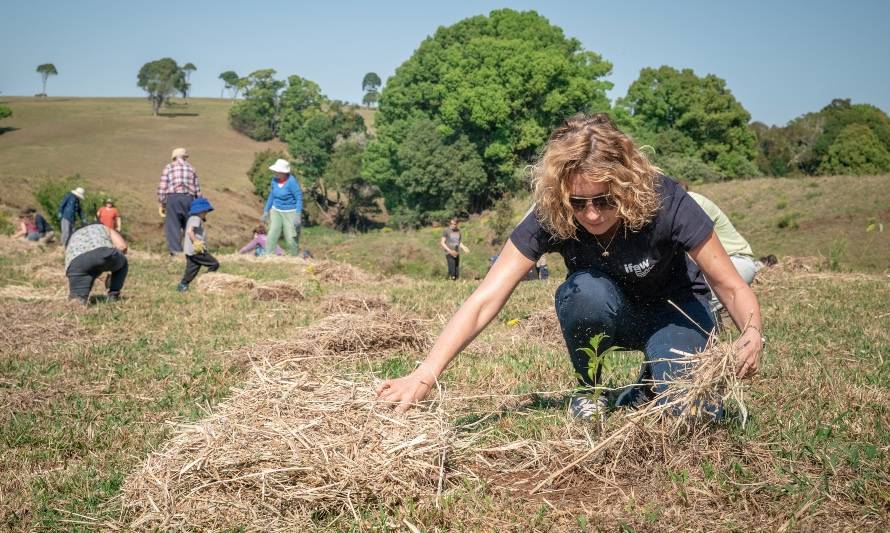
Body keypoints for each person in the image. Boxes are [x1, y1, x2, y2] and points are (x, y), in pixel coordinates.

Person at [377, 113, 764, 420]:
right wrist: (425, 374)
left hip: (677, 313)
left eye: (604, 199)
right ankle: (589, 390)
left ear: (626, 183)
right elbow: (485, 298)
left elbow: (730, 285)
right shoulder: (553, 211)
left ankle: (651, 383)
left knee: (690, 412)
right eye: (579, 203)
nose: (592, 214)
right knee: (582, 292)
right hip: (612, 311)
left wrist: (751, 331)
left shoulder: (667, 200)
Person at [64, 223, 128, 305]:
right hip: (102, 253)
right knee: (124, 262)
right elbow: (122, 247)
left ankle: (79, 301)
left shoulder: (73, 235)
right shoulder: (103, 227)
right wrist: (112, 272)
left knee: (77, 302)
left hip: (75, 264)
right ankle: (113, 295)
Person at [157, 147, 201, 255]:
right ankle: (190, 252)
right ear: (185, 157)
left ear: (174, 157)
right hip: (189, 199)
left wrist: (162, 203)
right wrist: (199, 205)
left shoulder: (168, 167)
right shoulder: (191, 168)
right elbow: (197, 189)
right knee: (189, 225)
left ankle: (176, 253)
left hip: (173, 198)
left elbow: (162, 187)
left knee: (173, 227)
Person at [177, 197, 219, 292]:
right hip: (196, 250)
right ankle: (206, 282)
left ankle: (182, 286)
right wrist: (196, 243)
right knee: (214, 264)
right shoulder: (196, 218)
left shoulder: (192, 218)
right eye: (206, 211)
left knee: (192, 270)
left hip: (189, 251)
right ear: (201, 211)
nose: (206, 213)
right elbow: (189, 231)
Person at [261, 159, 302, 256]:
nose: (274, 173)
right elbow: (272, 195)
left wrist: (298, 214)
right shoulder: (274, 181)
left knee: (291, 236)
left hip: (290, 212)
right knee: (272, 233)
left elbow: (299, 198)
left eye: (276, 171)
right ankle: (268, 255)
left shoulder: (292, 182)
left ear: (283, 172)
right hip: (276, 211)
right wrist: (266, 211)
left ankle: (293, 257)